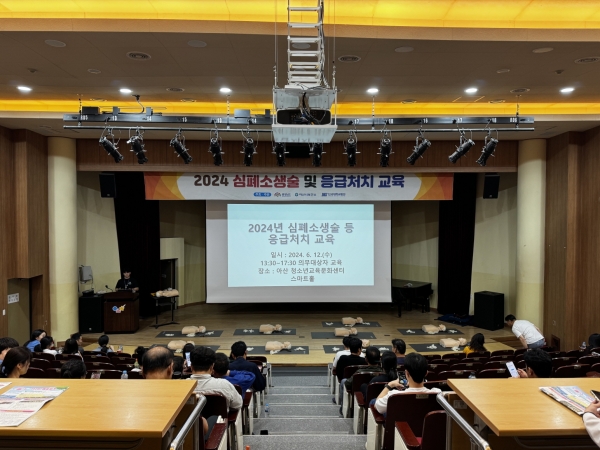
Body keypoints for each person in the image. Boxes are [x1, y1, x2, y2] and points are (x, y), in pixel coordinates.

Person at [375, 352, 441, 415]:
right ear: (426, 373)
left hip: (400, 423)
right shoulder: (438, 394)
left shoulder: (393, 396)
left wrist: (390, 385)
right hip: (424, 423)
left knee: (373, 401)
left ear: (406, 373)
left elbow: (377, 407)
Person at [190, 346, 242, 412]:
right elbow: (238, 405)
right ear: (212, 367)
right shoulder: (224, 384)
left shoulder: (180, 386)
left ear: (191, 367)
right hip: (220, 418)